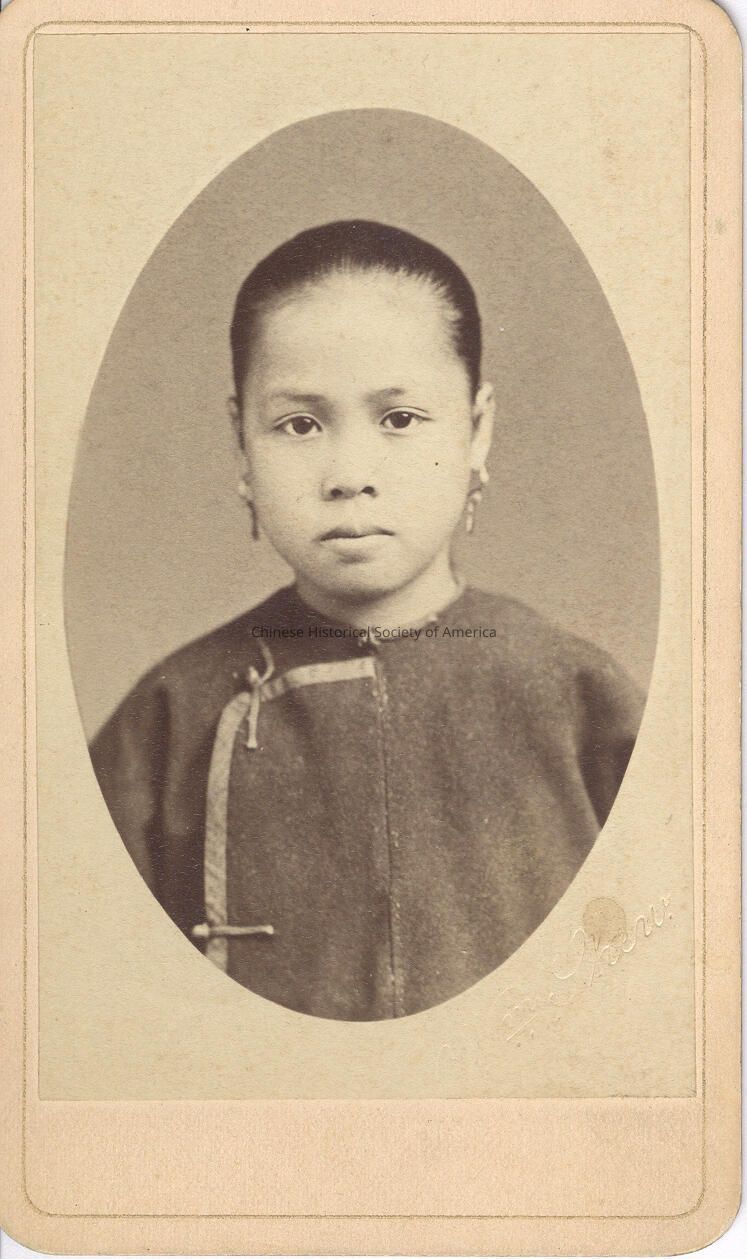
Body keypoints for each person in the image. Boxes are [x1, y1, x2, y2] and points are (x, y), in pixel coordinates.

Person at [90, 220, 645, 1021]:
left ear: (476, 431)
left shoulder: (580, 699)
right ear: (241, 444)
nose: (349, 475)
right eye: (299, 424)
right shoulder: (168, 718)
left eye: (400, 419)